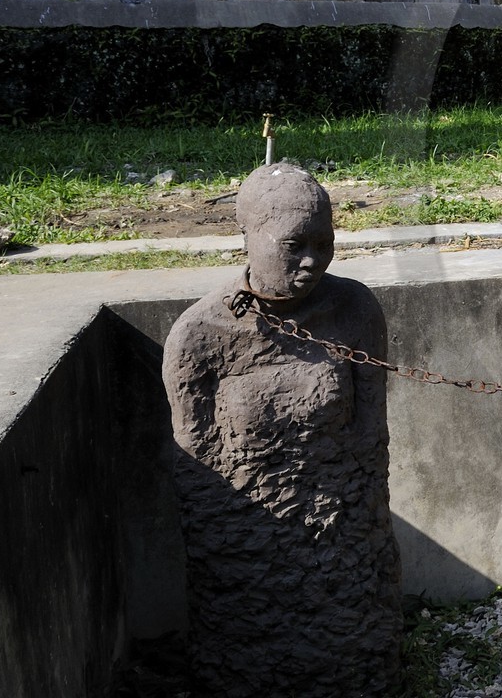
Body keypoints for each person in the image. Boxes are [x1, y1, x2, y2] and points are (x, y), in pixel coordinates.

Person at [162, 163, 401, 697]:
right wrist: (247, 566)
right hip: (246, 553)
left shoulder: (355, 311)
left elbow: (370, 440)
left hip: (342, 542)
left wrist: (351, 549)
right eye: (294, 245)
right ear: (249, 238)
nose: (313, 261)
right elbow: (199, 474)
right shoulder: (200, 337)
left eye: (325, 242)